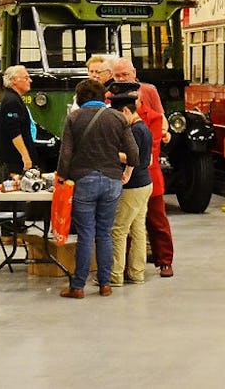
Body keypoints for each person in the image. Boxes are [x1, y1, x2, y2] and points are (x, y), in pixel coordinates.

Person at [58, 79, 139, 299]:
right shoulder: (117, 117)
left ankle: (77, 287)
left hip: (84, 180)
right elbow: (134, 154)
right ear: (103, 97)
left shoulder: (73, 118)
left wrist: (61, 178)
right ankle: (105, 284)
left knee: (86, 234)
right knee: (104, 233)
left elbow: (65, 155)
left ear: (79, 98)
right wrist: (126, 173)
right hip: (112, 181)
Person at [111, 57, 175, 273]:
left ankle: (165, 260)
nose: (121, 80)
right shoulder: (109, 96)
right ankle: (128, 265)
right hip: (124, 174)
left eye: (124, 75)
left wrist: (165, 133)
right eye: (117, 76)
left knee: (156, 220)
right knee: (126, 223)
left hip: (147, 173)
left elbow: (156, 135)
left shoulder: (150, 100)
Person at [108, 88, 153, 286]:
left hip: (132, 186)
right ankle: (136, 272)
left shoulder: (133, 130)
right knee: (137, 229)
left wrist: (110, 152)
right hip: (145, 184)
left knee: (118, 230)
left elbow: (133, 157)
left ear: (126, 111)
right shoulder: (144, 128)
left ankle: (115, 275)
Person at [0, 65, 38, 176]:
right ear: (14, 80)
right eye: (26, 78)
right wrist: (26, 156)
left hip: (14, 159)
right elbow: (14, 132)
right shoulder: (12, 101)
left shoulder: (11, 98)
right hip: (16, 161)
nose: (30, 81)